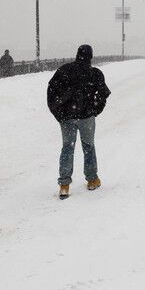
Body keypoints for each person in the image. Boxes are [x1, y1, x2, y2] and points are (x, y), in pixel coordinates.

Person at [47, 44, 111, 199]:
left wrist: (59, 114)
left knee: (67, 148)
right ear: (91, 56)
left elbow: (51, 91)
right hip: (86, 117)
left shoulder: (64, 70)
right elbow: (103, 94)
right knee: (88, 146)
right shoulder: (94, 73)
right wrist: (95, 109)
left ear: (77, 54)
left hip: (67, 117)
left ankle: (64, 185)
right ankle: (92, 180)